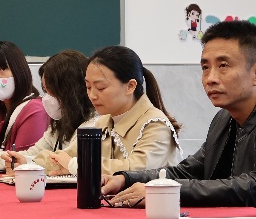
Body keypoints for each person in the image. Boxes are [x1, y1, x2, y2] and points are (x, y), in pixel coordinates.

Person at [102, 20, 256, 208]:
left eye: (223, 66)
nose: (210, 78)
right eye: (205, 67)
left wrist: (165, 192)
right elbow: (189, 171)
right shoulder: (223, 118)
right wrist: (126, 178)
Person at [34, 45, 181, 176]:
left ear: (130, 86)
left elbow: (137, 168)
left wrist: (76, 165)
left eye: (101, 88)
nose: (92, 95)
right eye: (88, 87)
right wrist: (29, 163)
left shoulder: (155, 125)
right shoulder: (103, 122)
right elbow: (66, 156)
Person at [3, 49, 94, 170]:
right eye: (45, 90)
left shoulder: (93, 125)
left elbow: (60, 162)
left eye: (51, 90)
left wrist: (27, 162)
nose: (47, 97)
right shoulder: (59, 125)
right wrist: (10, 158)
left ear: (70, 90)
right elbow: (32, 154)